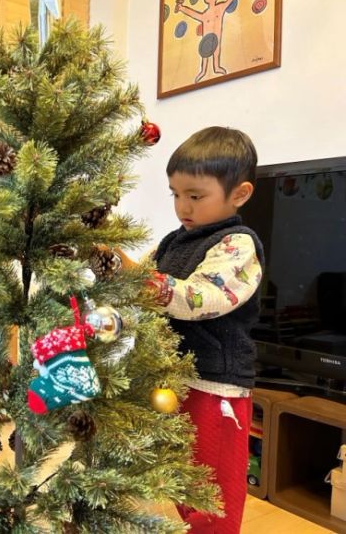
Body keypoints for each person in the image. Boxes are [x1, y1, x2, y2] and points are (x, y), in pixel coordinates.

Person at [119, 126, 263, 533]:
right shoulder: (173, 242)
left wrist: (136, 278)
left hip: (214, 385)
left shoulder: (238, 245)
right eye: (175, 194)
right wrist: (111, 263)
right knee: (183, 478)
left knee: (212, 492)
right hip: (173, 377)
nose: (182, 206)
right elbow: (140, 281)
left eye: (195, 196)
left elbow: (201, 298)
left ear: (239, 194)